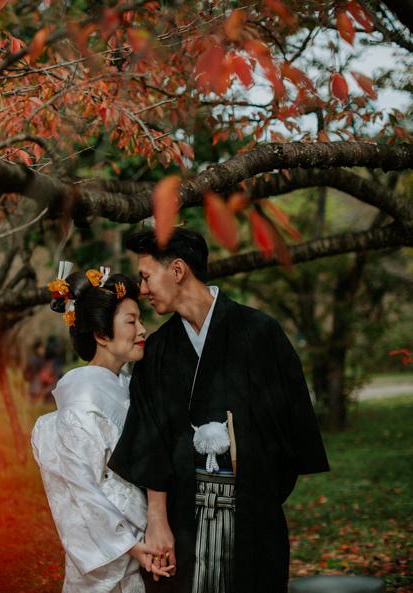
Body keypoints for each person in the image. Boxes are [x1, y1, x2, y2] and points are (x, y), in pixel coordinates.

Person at [107, 229, 330, 593]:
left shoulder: (260, 333)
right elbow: (150, 442)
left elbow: (289, 430)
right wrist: (157, 521)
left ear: (177, 270)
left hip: (253, 513)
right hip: (181, 519)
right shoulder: (157, 352)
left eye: (146, 277)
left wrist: (256, 494)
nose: (142, 289)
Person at [32, 265, 173, 593]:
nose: (142, 330)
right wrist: (129, 546)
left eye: (140, 319)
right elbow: (81, 492)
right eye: (131, 321)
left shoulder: (128, 385)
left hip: (146, 538)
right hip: (113, 553)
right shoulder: (81, 403)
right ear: (100, 335)